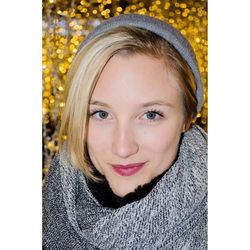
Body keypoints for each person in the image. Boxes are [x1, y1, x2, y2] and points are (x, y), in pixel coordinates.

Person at [43, 14, 207, 249]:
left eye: (151, 115)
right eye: (101, 114)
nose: (123, 148)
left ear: (187, 117)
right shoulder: (48, 206)